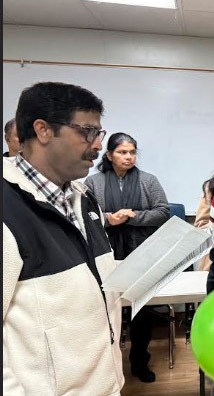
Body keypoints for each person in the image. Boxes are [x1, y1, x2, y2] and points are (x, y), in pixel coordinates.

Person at [3, 82, 123, 394]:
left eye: (99, 132)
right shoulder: (7, 207)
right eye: (87, 131)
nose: (99, 145)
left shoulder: (84, 198)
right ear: (43, 130)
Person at [85, 132, 170, 383]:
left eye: (132, 152)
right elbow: (87, 217)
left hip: (141, 253)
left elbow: (163, 212)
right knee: (103, 309)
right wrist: (109, 219)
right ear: (109, 155)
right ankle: (105, 368)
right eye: (122, 152)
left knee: (140, 311)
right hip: (106, 253)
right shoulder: (93, 182)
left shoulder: (148, 180)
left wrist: (134, 216)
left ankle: (139, 362)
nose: (129, 157)